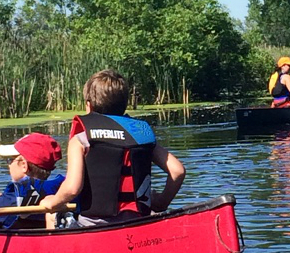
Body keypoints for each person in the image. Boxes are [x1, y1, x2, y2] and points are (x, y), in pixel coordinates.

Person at [39, 69, 186, 226]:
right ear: (124, 104)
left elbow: (72, 189)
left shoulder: (81, 139)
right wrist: (162, 202)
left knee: (51, 212)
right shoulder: (142, 136)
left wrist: (52, 203)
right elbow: (178, 171)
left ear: (89, 105)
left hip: (92, 224)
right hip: (139, 221)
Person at [0, 132, 65, 221]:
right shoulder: (60, 195)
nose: (8, 165)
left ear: (24, 165)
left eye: (10, 160)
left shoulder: (12, 199)